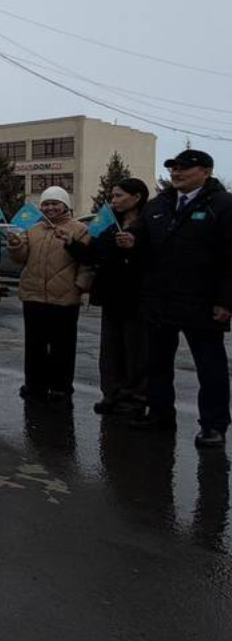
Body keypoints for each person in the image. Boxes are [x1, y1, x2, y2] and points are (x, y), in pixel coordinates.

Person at [128, 149, 232, 448]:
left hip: (203, 301)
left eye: (185, 168)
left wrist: (226, 301)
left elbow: (230, 258)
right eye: (173, 168)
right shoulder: (158, 205)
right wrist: (132, 242)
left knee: (210, 366)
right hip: (161, 300)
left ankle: (214, 425)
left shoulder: (222, 205)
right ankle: (160, 414)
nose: (177, 173)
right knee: (158, 363)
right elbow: (142, 241)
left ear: (206, 172)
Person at [67, 178, 150, 416]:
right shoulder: (108, 224)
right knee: (111, 350)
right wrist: (72, 245)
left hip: (136, 298)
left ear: (136, 198)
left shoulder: (147, 225)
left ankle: (135, 398)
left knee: (135, 352)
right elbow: (93, 254)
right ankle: (111, 394)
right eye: (112, 196)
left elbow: (155, 258)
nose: (113, 200)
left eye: (119, 196)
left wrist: (134, 247)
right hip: (111, 296)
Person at [7, 185, 91, 405]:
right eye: (46, 204)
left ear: (65, 205)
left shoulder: (79, 229)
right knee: (34, 344)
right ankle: (34, 384)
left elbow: (87, 263)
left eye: (55, 203)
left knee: (62, 346)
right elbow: (21, 258)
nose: (50, 207)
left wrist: (80, 286)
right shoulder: (33, 229)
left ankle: (61, 387)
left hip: (64, 297)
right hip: (33, 295)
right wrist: (16, 246)